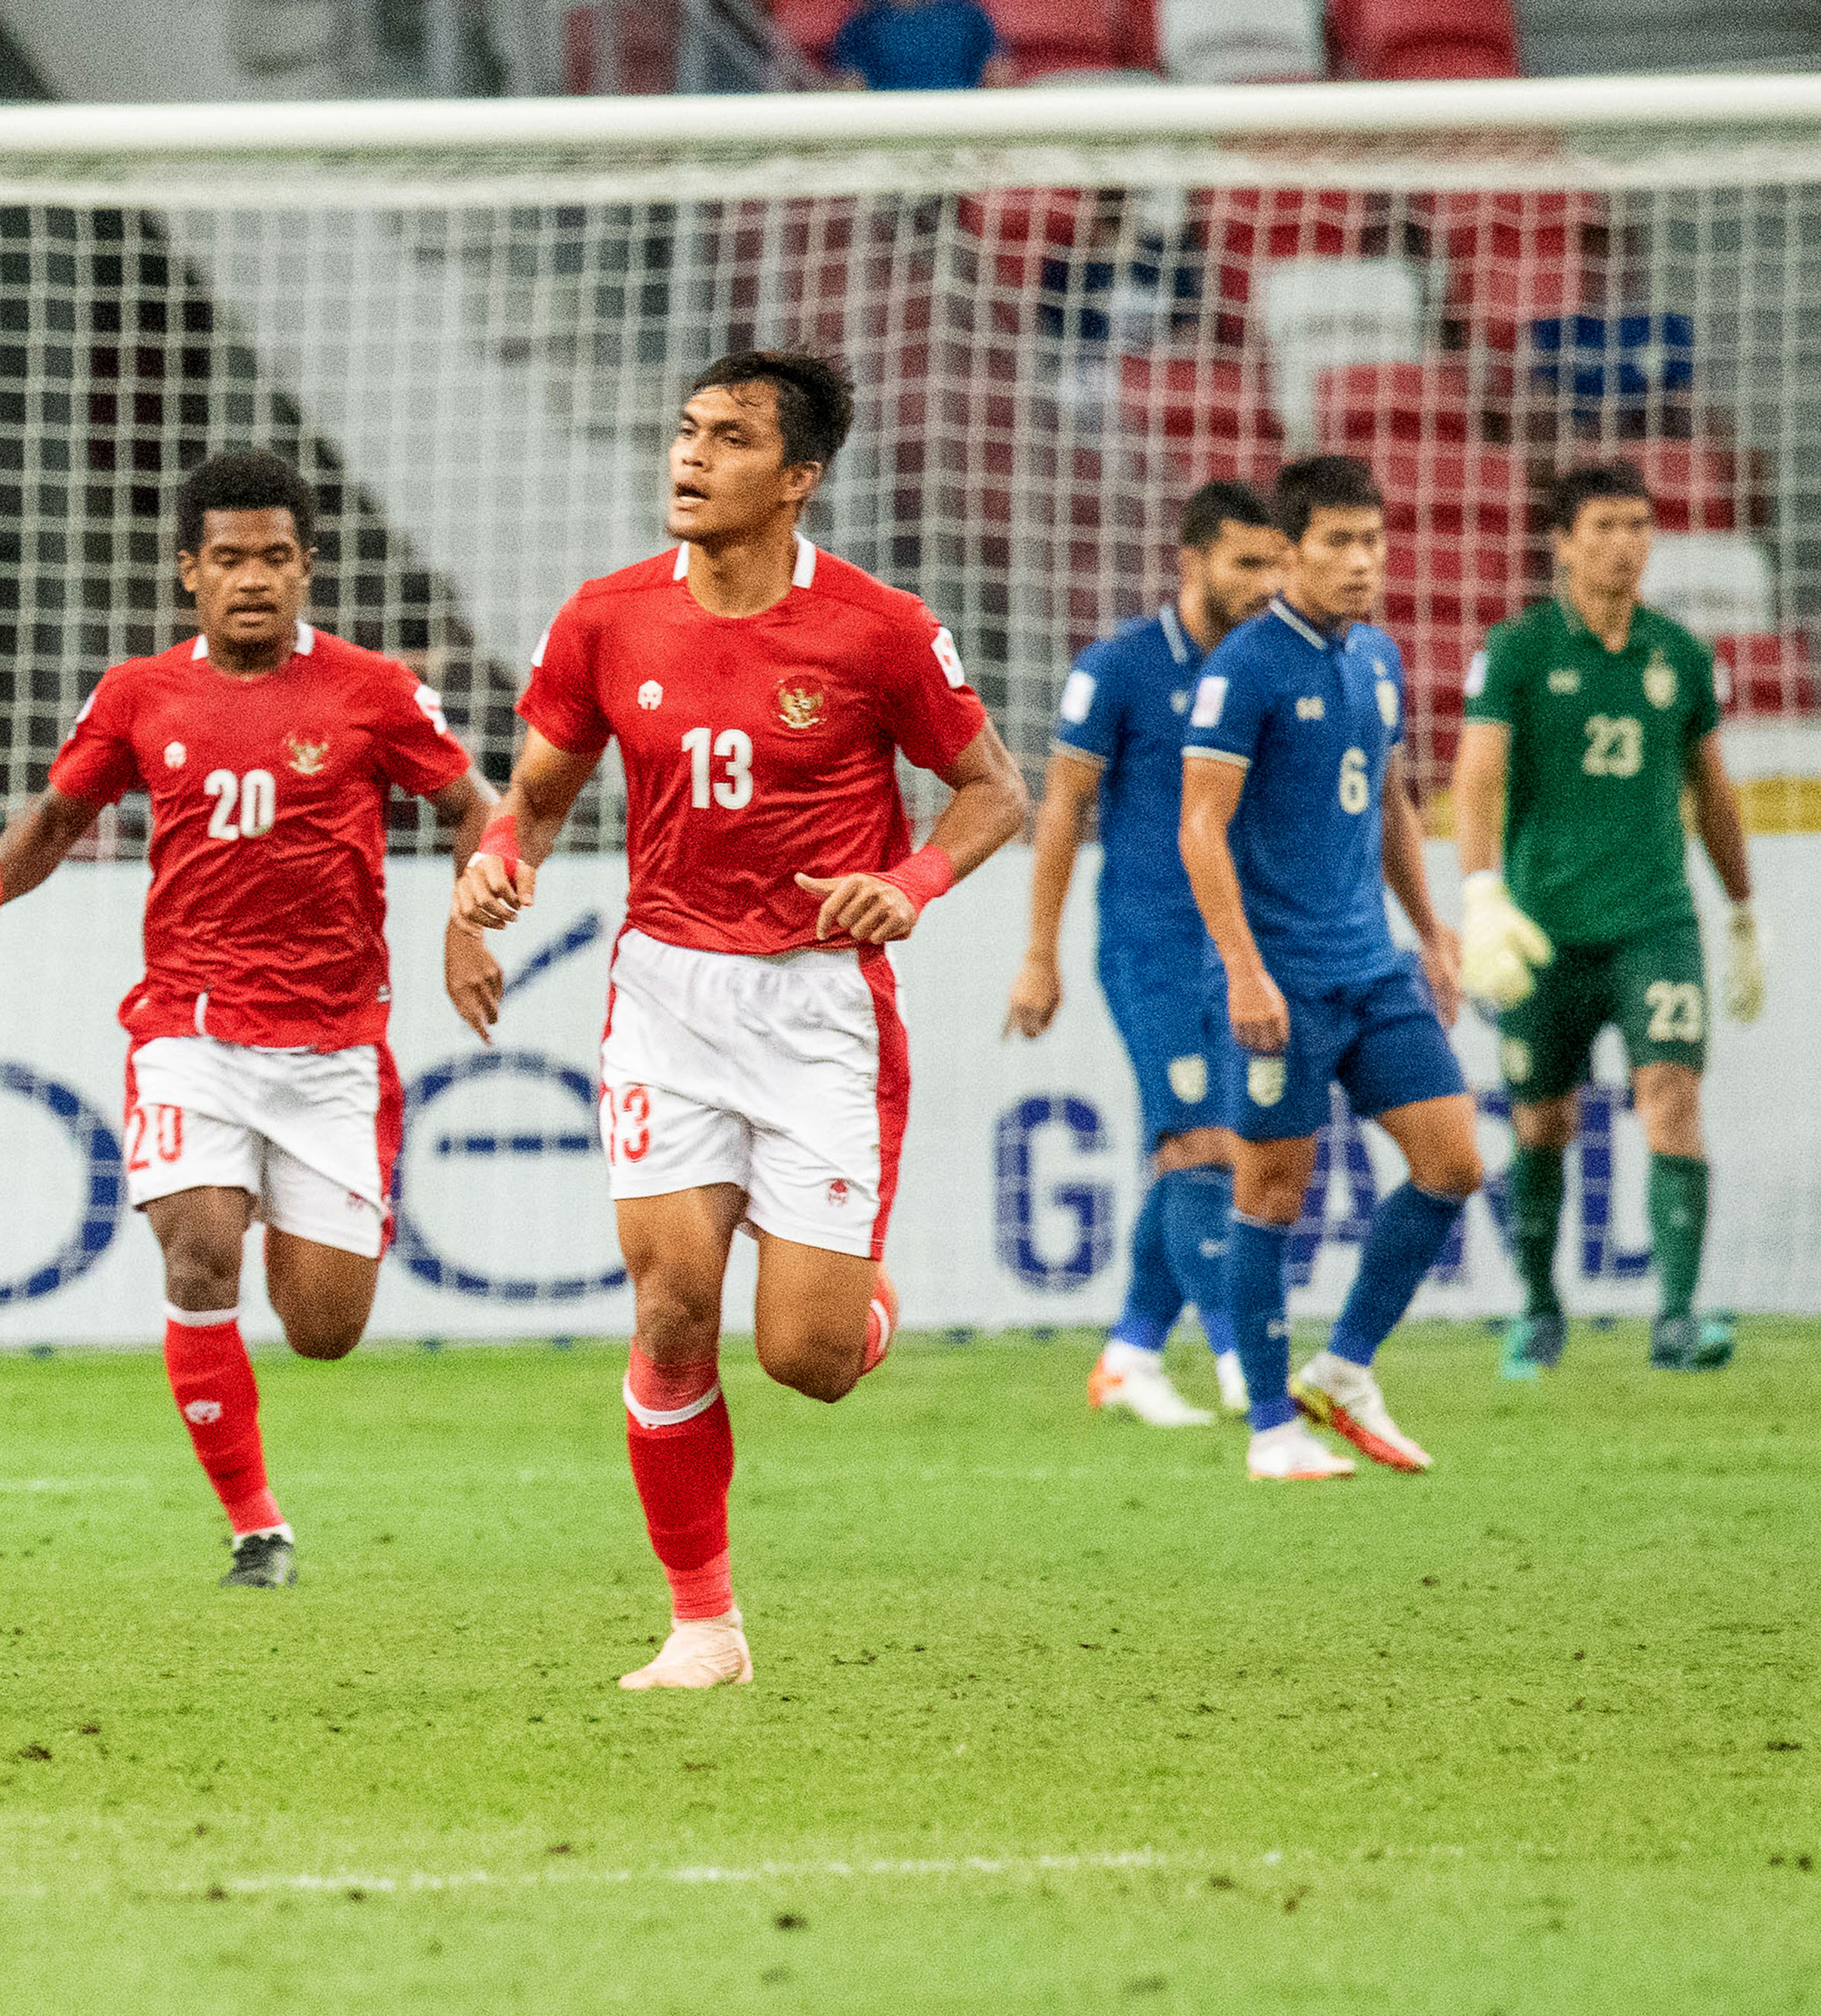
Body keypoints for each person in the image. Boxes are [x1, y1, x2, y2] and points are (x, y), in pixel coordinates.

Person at [454, 351, 1028, 1689]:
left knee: (809, 1362)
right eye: (686, 431)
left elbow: (996, 788)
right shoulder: (605, 619)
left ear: (799, 479)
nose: (690, 457)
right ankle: (704, 1627)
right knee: (669, 1311)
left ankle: (853, 1289)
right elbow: (536, 793)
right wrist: (501, 861)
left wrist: (909, 881)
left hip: (820, 999)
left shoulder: (881, 631)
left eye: (728, 440)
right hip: (664, 990)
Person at [0, 451, 497, 1589]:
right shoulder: (140, 694)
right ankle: (257, 1525)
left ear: (307, 567)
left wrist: (465, 925)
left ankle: (298, 1204)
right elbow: (57, 809)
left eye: (276, 557)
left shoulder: (374, 690)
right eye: (229, 557)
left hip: (334, 1044)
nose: (253, 578)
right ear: (190, 571)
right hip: (188, 1031)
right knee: (197, 1254)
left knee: (326, 1328)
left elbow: (478, 809)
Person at [1178, 454, 1482, 1484]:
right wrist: (1244, 970)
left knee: (1454, 1162)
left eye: (1373, 540)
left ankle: (1345, 1365)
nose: (1363, 561)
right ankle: (1271, 1426)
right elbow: (1200, 827)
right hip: (1285, 980)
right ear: (1293, 550)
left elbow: (1390, 800)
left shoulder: (1378, 659)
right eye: (1338, 542)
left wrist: (1433, 931)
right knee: (1271, 1192)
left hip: (1374, 968)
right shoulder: (1246, 667)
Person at [1453, 461, 1762, 1377]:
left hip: (1654, 924)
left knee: (1671, 1100)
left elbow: (1711, 791)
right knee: (1543, 1123)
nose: (1625, 543)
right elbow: (1476, 775)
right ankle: (1539, 1310)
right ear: (1563, 543)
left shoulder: (1680, 654)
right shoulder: (1516, 651)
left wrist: (1743, 913)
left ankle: (1675, 1317)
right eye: (1604, 527)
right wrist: (1479, 893)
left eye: (1637, 524)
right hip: (1543, 929)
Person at [1008, 482, 1286, 1426]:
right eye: (1247, 563)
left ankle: (1129, 1352)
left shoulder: (1273, 667)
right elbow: (1060, 812)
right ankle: (1241, 1354)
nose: (1265, 583)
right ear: (1191, 562)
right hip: (1151, 948)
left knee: (1210, 1155)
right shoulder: (1118, 668)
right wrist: (1038, 953)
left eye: (1276, 564)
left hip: (1249, 948)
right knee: (1199, 1145)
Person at [828, 0, 1016, 90]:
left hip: (960, 130)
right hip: (891, 135)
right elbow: (851, 89)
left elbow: (996, 76)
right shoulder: (862, 26)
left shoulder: (969, 17)